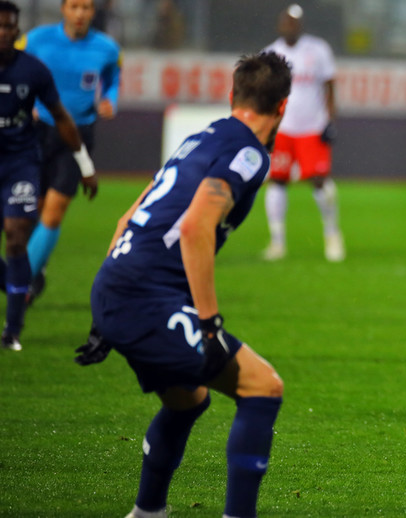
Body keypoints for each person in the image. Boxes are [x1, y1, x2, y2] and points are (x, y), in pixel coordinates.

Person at [78, 51, 291, 518]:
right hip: (144, 298)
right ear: (283, 107)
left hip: (116, 285)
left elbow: (127, 217)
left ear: (231, 96)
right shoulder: (250, 152)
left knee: (187, 399)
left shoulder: (200, 138)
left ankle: (148, 511)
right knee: (263, 387)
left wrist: (104, 311)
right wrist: (210, 324)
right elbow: (196, 227)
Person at [0, 0, 94, 351]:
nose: (4, 33)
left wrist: (86, 166)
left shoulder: (33, 71)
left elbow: (62, 117)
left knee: (16, 236)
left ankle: (12, 329)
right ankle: (17, 281)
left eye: (9, 27)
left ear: (17, 31)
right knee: (13, 255)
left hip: (21, 163)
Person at [19, 0, 119, 302]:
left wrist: (110, 100)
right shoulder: (36, 40)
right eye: (74, 6)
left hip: (77, 137)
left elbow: (113, 80)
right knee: (32, 211)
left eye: (86, 8)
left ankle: (21, 285)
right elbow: (11, 71)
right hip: (35, 133)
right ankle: (39, 265)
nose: (80, 14)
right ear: (62, 8)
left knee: (55, 209)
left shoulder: (107, 48)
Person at [261, 3, 344, 262]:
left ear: (301, 25)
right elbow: (264, 95)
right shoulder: (270, 54)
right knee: (277, 180)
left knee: (320, 181)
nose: (290, 26)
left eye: (294, 22)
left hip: (312, 127)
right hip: (284, 129)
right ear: (279, 25)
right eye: (286, 22)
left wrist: (330, 120)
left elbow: (330, 86)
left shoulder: (317, 50)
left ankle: (332, 235)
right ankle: (277, 242)